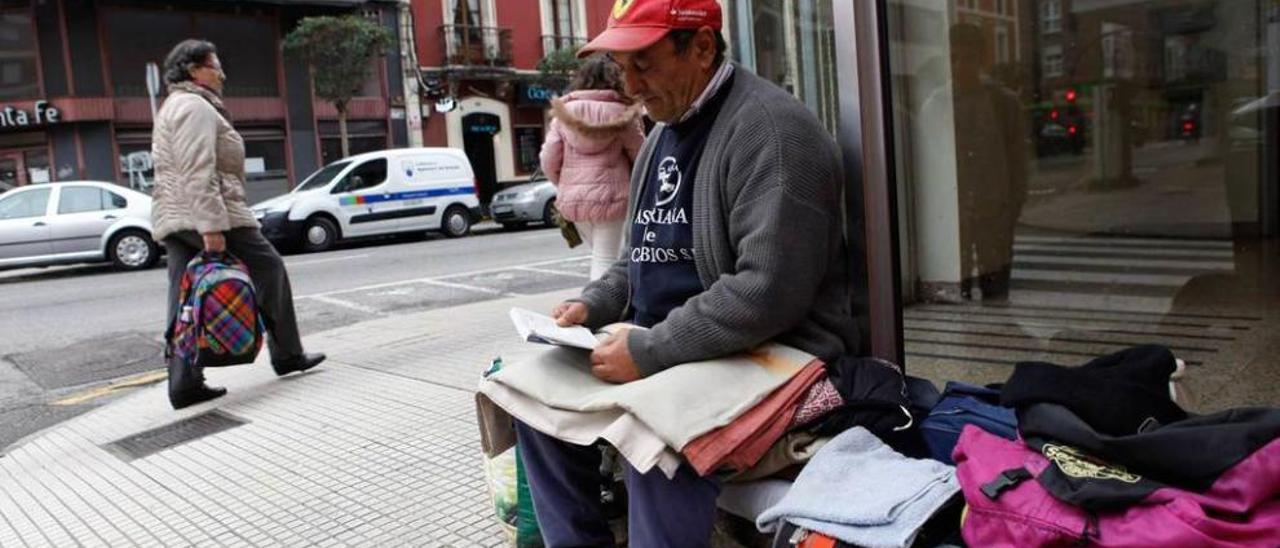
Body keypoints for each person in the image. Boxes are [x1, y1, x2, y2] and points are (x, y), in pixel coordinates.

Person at [512, 1, 860, 545]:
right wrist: (595, 302)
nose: (629, 83)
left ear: (700, 47)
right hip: (671, 344)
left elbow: (766, 293)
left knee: (654, 442)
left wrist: (649, 350)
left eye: (642, 63)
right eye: (620, 65)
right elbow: (640, 255)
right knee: (530, 398)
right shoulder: (662, 134)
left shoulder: (773, 132)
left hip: (770, 351)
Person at [151, 40, 324, 410]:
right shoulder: (194, 107)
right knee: (269, 268)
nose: (222, 73)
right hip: (214, 215)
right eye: (214, 65)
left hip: (179, 216)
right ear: (193, 70)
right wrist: (211, 227)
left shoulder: (174, 106)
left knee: (183, 297)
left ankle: (183, 383)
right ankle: (288, 354)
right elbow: (199, 170)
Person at [940, 23, 1029, 300]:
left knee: (996, 292)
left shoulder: (1004, 103)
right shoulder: (936, 102)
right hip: (953, 219)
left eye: (967, 58)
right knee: (954, 295)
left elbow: (1019, 163)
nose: (959, 66)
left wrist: (1011, 210)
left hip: (994, 215)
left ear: (981, 59)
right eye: (953, 58)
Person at [540, 55, 645, 280]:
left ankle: (605, 305)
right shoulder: (623, 114)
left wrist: (565, 185)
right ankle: (600, 311)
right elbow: (642, 156)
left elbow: (548, 159)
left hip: (574, 200)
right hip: (614, 199)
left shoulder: (563, 115)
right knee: (607, 259)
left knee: (600, 256)